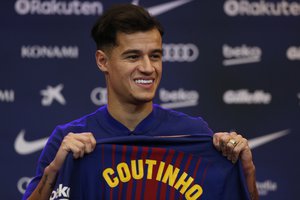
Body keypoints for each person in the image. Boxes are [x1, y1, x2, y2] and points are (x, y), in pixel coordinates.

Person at [23, 4, 258, 200]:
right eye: (133, 56)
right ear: (103, 61)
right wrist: (54, 170)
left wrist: (246, 170)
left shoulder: (193, 133)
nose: (148, 68)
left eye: (155, 56)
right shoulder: (69, 139)